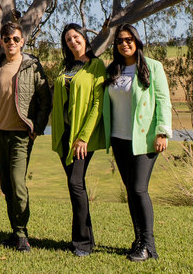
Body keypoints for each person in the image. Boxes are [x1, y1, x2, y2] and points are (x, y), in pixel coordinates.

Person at [102, 23, 171, 262]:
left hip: (144, 141)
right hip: (119, 139)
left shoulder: (152, 67)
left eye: (129, 39)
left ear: (137, 41)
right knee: (131, 192)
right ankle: (139, 240)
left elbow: (163, 101)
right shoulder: (113, 70)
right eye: (120, 40)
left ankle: (148, 246)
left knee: (139, 189)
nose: (125, 43)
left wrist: (162, 132)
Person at [0, 20, 52, 252]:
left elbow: (45, 100)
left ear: (22, 41)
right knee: (7, 186)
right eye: (7, 39)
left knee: (18, 184)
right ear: (1, 41)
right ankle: (15, 232)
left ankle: (22, 234)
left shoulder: (32, 66)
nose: (11, 43)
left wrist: (36, 128)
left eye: (16, 39)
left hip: (22, 136)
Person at [50, 23, 107, 257]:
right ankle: (87, 237)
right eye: (68, 40)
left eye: (76, 37)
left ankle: (82, 243)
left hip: (81, 137)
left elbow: (97, 103)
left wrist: (83, 137)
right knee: (76, 187)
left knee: (75, 183)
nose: (73, 42)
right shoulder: (67, 67)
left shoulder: (96, 65)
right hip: (64, 135)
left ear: (84, 38)